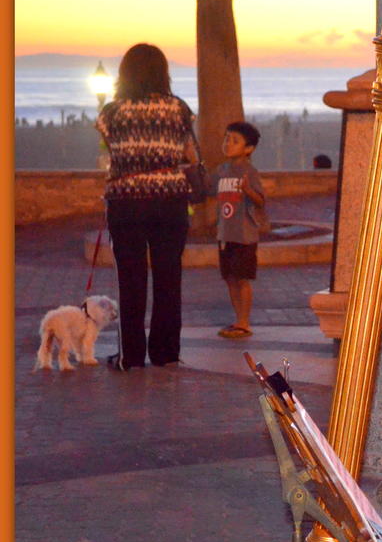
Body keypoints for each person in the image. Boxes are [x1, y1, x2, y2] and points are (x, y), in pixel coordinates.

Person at [96, 43, 194, 370]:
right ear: (163, 72)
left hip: (126, 201)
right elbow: (188, 152)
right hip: (170, 200)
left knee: (130, 279)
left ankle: (132, 355)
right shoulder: (179, 109)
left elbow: (110, 149)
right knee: (169, 277)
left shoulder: (112, 112)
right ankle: (166, 353)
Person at [209, 121, 265, 339]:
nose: (228, 144)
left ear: (248, 148)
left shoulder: (250, 172)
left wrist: (248, 190)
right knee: (230, 278)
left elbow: (261, 201)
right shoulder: (221, 171)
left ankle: (244, 322)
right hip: (225, 234)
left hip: (244, 235)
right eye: (227, 139)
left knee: (242, 278)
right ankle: (237, 320)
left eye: (235, 141)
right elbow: (207, 190)